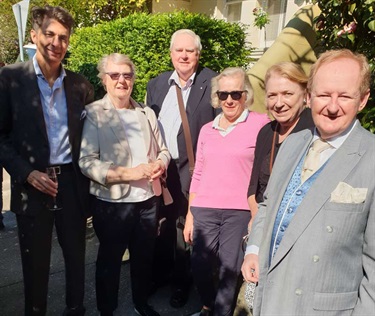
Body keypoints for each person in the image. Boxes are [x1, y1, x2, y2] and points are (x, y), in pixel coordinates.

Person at [241, 49, 375, 315]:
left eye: (345, 96)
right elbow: (268, 206)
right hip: (271, 300)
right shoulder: (293, 143)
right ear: (310, 97)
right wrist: (254, 249)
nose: (333, 107)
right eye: (324, 95)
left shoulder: (371, 158)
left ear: (362, 100)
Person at [0, 5, 94, 316]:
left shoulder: (80, 85)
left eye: (63, 37)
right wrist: (26, 173)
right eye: (50, 34)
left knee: (76, 258)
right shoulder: (10, 79)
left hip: (71, 182)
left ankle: (75, 309)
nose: (56, 43)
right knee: (35, 262)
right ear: (34, 35)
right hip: (33, 184)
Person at [79, 53, 170, 316]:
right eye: (115, 75)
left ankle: (141, 303)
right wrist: (128, 173)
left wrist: (161, 164)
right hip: (112, 204)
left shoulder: (146, 112)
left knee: (143, 259)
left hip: (147, 202)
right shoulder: (94, 113)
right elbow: (86, 162)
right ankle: (107, 309)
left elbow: (163, 150)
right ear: (104, 80)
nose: (122, 81)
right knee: (110, 261)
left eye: (127, 75)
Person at [183, 67, 269, 316]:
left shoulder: (261, 124)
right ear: (216, 97)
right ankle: (208, 305)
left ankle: (219, 312)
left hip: (239, 210)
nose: (229, 100)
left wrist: (258, 213)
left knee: (229, 269)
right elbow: (198, 173)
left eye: (236, 93)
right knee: (199, 264)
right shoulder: (207, 130)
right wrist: (190, 214)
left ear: (246, 95)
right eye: (223, 95)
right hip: (204, 208)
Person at [146, 29, 219, 307]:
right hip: (162, 170)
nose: (184, 55)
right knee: (160, 225)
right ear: (171, 54)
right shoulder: (157, 84)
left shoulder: (211, 81)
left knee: (183, 230)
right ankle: (160, 275)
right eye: (179, 50)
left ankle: (181, 283)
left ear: (198, 54)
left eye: (190, 51)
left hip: (193, 169)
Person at [247, 62, 314, 225]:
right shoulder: (266, 132)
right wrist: (258, 223)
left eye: (287, 94)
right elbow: (253, 189)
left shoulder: (315, 129)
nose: (278, 103)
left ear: (305, 95)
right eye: (272, 95)